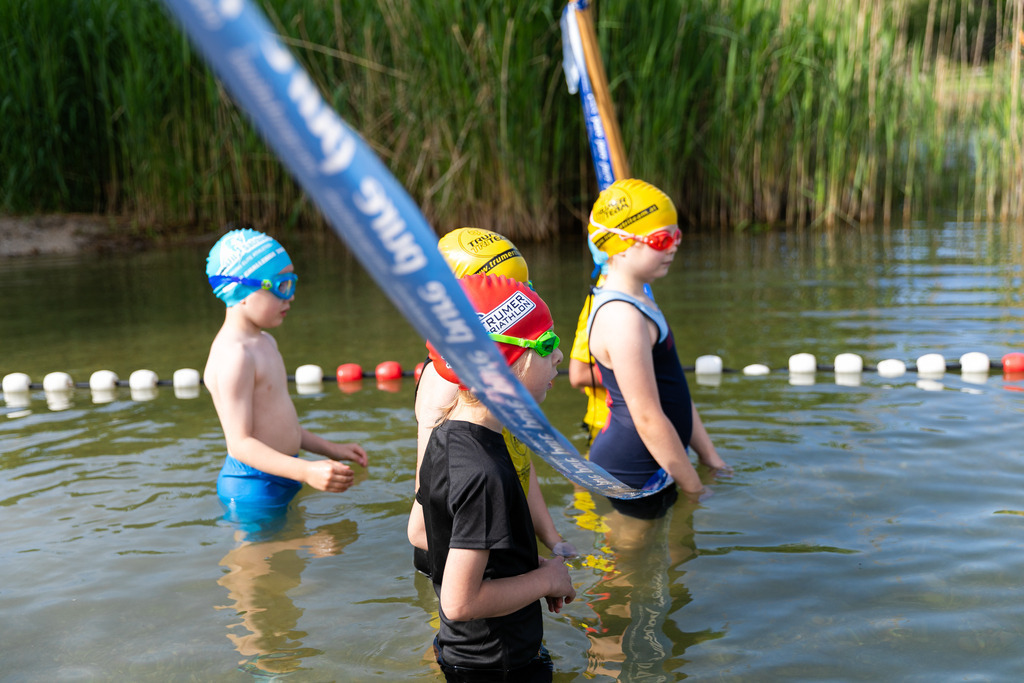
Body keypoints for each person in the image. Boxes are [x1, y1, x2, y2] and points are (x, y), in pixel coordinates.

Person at [418, 273, 577, 682]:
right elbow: (460, 601)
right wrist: (547, 578)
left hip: (464, 653)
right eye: (546, 344)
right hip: (498, 667)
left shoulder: (446, 435)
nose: (559, 356)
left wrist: (529, 565)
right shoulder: (486, 471)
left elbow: (435, 538)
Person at [408, 228, 575, 578]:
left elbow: (520, 465)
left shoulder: (507, 382)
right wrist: (514, 567)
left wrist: (551, 539)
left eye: (525, 287)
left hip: (494, 539)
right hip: (457, 557)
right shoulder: (448, 386)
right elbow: (424, 518)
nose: (523, 296)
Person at [585, 179, 730, 520]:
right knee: (629, 567)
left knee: (678, 556)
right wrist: (695, 489)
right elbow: (648, 417)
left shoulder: (641, 297)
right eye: (661, 240)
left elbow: (674, 386)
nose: (673, 248)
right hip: (633, 474)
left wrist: (711, 459)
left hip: (660, 463)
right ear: (621, 245)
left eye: (676, 236)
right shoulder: (622, 317)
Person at [204, 228, 368, 524]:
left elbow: (280, 426)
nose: (290, 298)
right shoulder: (234, 356)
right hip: (253, 488)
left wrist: (331, 449)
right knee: (256, 566)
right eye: (281, 286)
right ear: (242, 290)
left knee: (288, 567)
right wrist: (308, 471)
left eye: (292, 284)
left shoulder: (265, 342)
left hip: (284, 472)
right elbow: (239, 444)